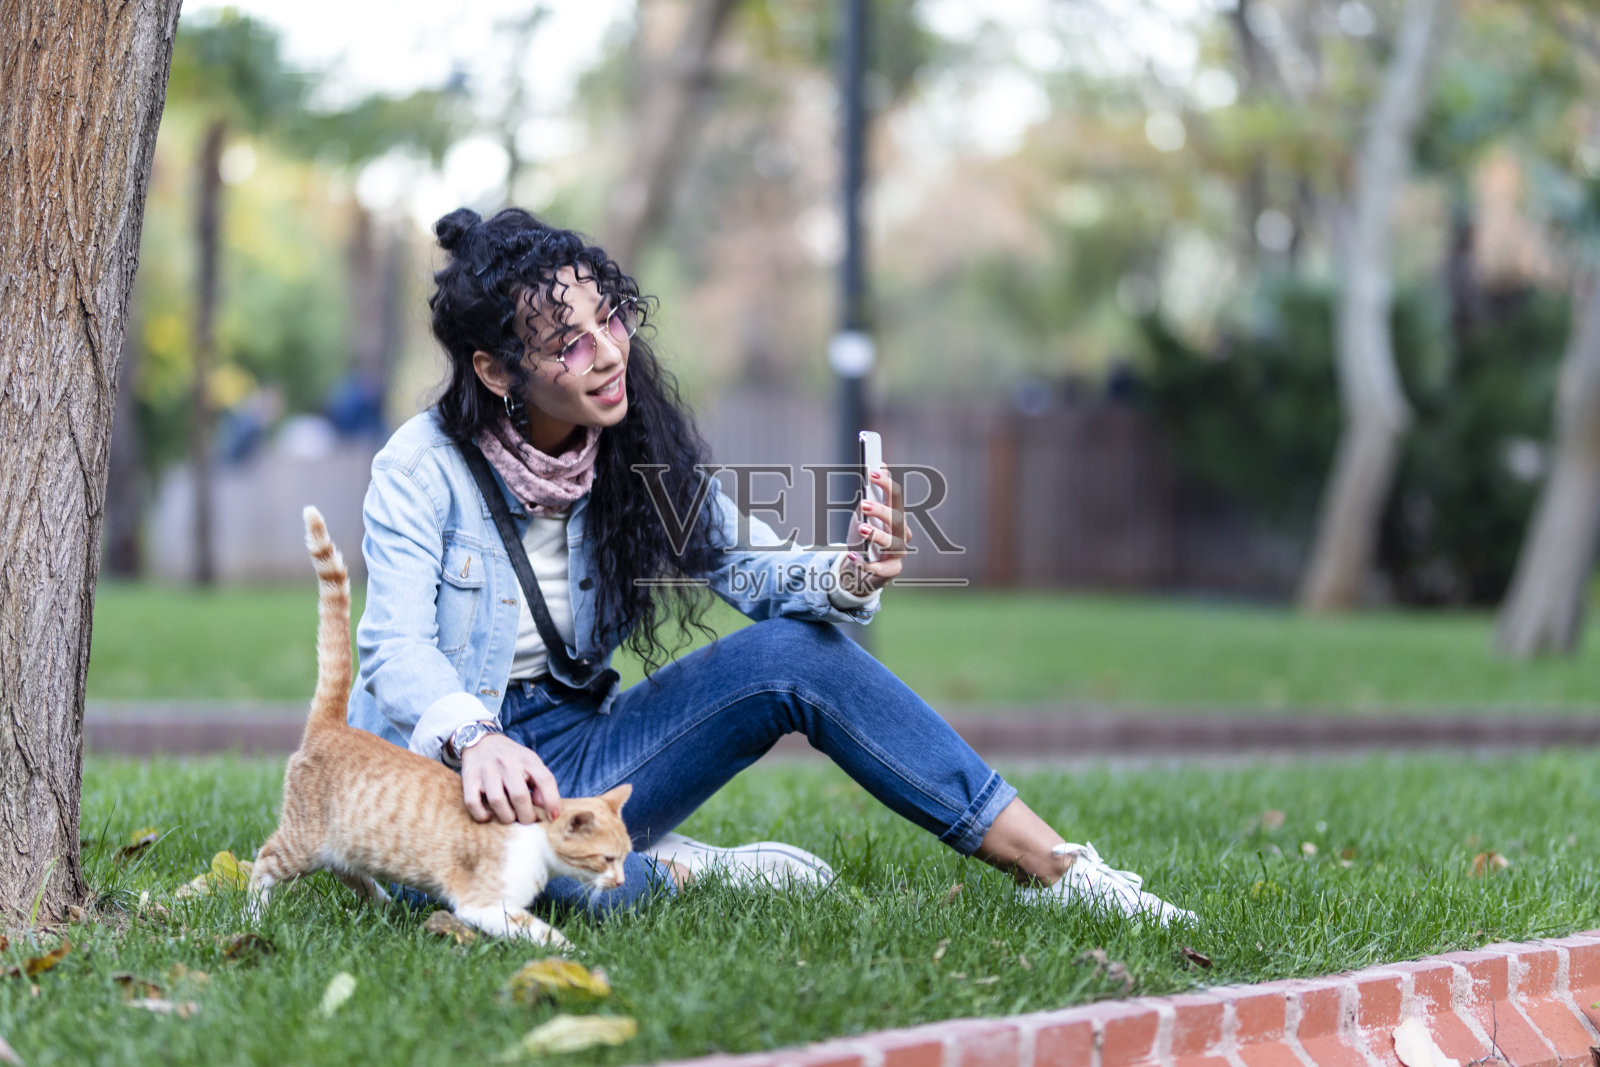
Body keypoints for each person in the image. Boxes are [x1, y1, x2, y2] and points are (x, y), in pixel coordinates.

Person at [346, 206, 1193, 925]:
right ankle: (684, 868)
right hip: (444, 781)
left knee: (797, 653)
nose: (607, 353)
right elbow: (394, 647)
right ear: (496, 371)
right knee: (529, 887)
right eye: (568, 344)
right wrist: (474, 735)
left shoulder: (636, 451)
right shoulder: (420, 469)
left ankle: (1060, 870)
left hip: (578, 746)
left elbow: (756, 568)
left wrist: (853, 572)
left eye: (611, 318)